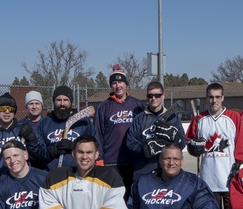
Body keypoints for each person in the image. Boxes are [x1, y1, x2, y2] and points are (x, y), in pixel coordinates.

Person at [185, 82, 243, 209]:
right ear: (207, 98)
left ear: (223, 98)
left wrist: (240, 165)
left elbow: (241, 147)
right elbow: (190, 143)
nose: (214, 100)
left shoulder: (234, 118)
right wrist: (193, 147)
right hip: (207, 183)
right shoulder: (200, 119)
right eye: (211, 97)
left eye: (218, 97)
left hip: (229, 182)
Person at [0, 92, 42, 190]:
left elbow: (40, 155)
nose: (7, 112)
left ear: (14, 112)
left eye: (10, 109)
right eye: (3, 109)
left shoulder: (23, 130)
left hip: (23, 186)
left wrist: (32, 140)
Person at [93, 65, 143, 194]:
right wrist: (99, 158)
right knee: (114, 198)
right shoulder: (104, 107)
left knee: (133, 196)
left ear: (126, 84)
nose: (118, 86)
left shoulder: (137, 105)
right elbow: (97, 133)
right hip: (111, 161)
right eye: (114, 83)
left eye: (120, 82)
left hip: (133, 160)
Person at [126, 81, 184, 180]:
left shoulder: (173, 118)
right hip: (144, 172)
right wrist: (144, 150)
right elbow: (130, 143)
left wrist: (175, 138)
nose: (154, 98)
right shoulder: (139, 119)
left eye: (157, 95)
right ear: (147, 97)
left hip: (168, 171)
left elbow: (182, 143)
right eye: (150, 95)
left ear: (163, 96)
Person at [38, 86, 92, 169]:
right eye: (59, 100)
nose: (62, 103)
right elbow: (37, 152)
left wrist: (74, 146)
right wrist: (52, 151)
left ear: (71, 102)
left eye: (66, 100)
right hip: (51, 175)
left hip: (78, 175)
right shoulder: (44, 123)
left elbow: (93, 147)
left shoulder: (83, 122)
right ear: (54, 102)